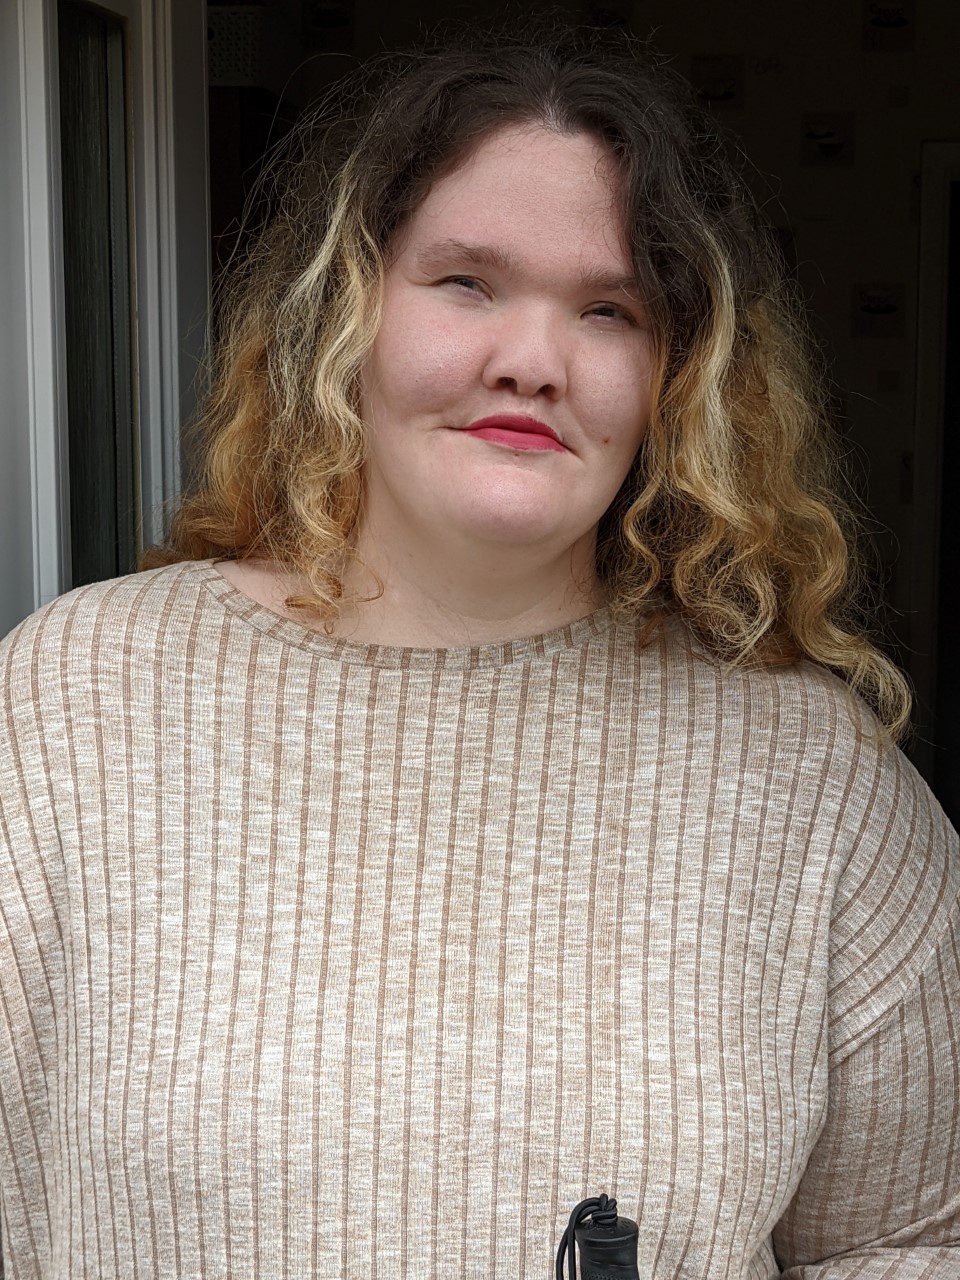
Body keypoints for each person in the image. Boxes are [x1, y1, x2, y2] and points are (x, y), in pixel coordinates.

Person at [0, 21, 957, 1279]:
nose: (532, 361)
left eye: (609, 309)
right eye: (466, 282)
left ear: (679, 377)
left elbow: (913, 1231)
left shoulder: (810, 780)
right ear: (345, 314)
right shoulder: (70, 707)